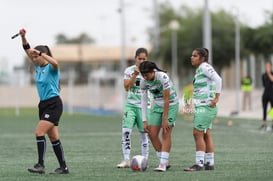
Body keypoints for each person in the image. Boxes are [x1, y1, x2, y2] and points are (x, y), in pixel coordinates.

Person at [19, 29, 69, 174]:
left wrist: (40, 53)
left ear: (43, 56)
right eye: (33, 57)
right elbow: (27, 49)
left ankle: (40, 165)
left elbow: (56, 62)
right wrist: (23, 37)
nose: (33, 59)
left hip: (54, 104)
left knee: (39, 132)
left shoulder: (51, 68)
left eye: (36, 57)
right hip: (43, 105)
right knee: (53, 137)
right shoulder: (37, 66)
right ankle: (63, 167)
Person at [184, 48, 222, 171]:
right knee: (206, 134)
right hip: (203, 106)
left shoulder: (205, 67)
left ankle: (199, 164)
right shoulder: (200, 69)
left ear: (202, 58)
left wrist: (216, 97)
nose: (192, 57)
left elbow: (218, 79)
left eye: (195, 56)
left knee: (197, 133)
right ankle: (209, 163)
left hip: (206, 106)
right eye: (192, 55)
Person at [140, 61, 179, 172]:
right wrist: (144, 120)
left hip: (171, 104)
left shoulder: (162, 77)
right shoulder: (143, 82)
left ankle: (162, 164)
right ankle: (165, 161)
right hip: (157, 105)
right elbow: (143, 101)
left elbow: (167, 99)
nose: (145, 77)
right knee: (152, 134)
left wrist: (165, 118)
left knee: (165, 132)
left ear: (153, 72)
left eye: (146, 75)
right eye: (143, 75)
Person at [116, 48, 150, 168]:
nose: (141, 61)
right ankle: (126, 160)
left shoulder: (150, 71)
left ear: (147, 59)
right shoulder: (129, 70)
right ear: (135, 58)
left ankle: (145, 160)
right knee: (126, 132)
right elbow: (126, 87)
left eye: (144, 59)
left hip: (144, 107)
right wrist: (135, 74)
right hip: (130, 105)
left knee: (144, 135)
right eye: (139, 58)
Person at [260, 61, 273, 130]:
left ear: (271, 66)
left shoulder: (271, 74)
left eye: (268, 66)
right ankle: (264, 123)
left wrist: (269, 73)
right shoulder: (263, 75)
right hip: (265, 94)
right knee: (264, 109)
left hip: (272, 94)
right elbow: (264, 85)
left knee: (272, 110)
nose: (267, 67)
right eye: (266, 66)